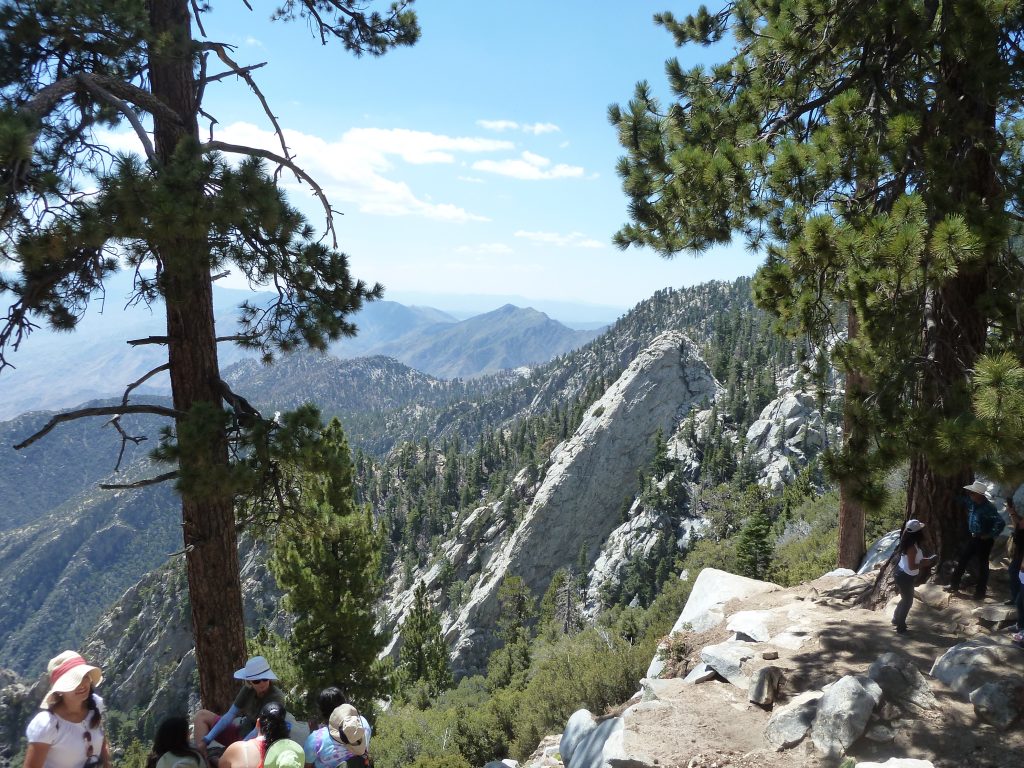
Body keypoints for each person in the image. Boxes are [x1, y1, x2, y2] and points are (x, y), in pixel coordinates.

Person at [23, 650, 111, 768]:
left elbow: (101, 738)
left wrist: (107, 763)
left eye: (84, 676)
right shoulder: (47, 725)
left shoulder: (95, 704)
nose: (81, 684)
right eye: (73, 681)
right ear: (59, 691)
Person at [195, 657, 286, 757]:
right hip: (242, 733)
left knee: (226, 760)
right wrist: (206, 740)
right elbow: (231, 714)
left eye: (265, 679)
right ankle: (202, 756)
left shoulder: (276, 697)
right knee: (202, 715)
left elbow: (260, 729)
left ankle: (214, 759)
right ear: (250, 681)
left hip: (260, 741)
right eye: (256, 681)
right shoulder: (247, 690)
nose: (262, 684)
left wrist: (238, 748)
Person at [945, 480, 1005, 599]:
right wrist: (950, 494)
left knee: (983, 565)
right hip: (974, 538)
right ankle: (954, 584)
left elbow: (1000, 522)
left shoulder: (988, 508)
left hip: (984, 541)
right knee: (963, 560)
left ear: (979, 494)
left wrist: (990, 535)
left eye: (972, 493)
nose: (970, 494)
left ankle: (980, 592)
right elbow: (962, 500)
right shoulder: (972, 503)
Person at [303, 689, 373, 768]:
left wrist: (313, 733)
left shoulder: (316, 740)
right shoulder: (362, 723)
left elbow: (307, 766)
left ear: (322, 712)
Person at [220, 701, 303, 768]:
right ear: (285, 726)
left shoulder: (239, 749)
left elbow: (221, 765)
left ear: (258, 723)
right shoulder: (292, 756)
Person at [891, 519, 937, 634]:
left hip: (902, 573)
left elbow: (912, 561)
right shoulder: (912, 547)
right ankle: (901, 627)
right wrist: (927, 563)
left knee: (905, 598)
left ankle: (896, 619)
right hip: (905, 576)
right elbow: (912, 566)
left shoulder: (908, 542)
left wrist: (926, 560)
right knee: (908, 601)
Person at [1007, 497, 1023, 607]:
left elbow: (1020, 525)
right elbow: (1018, 525)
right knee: (1013, 572)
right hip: (1020, 550)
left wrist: (1013, 514)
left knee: (1015, 572)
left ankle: (1018, 599)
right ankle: (1016, 598)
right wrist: (1012, 513)